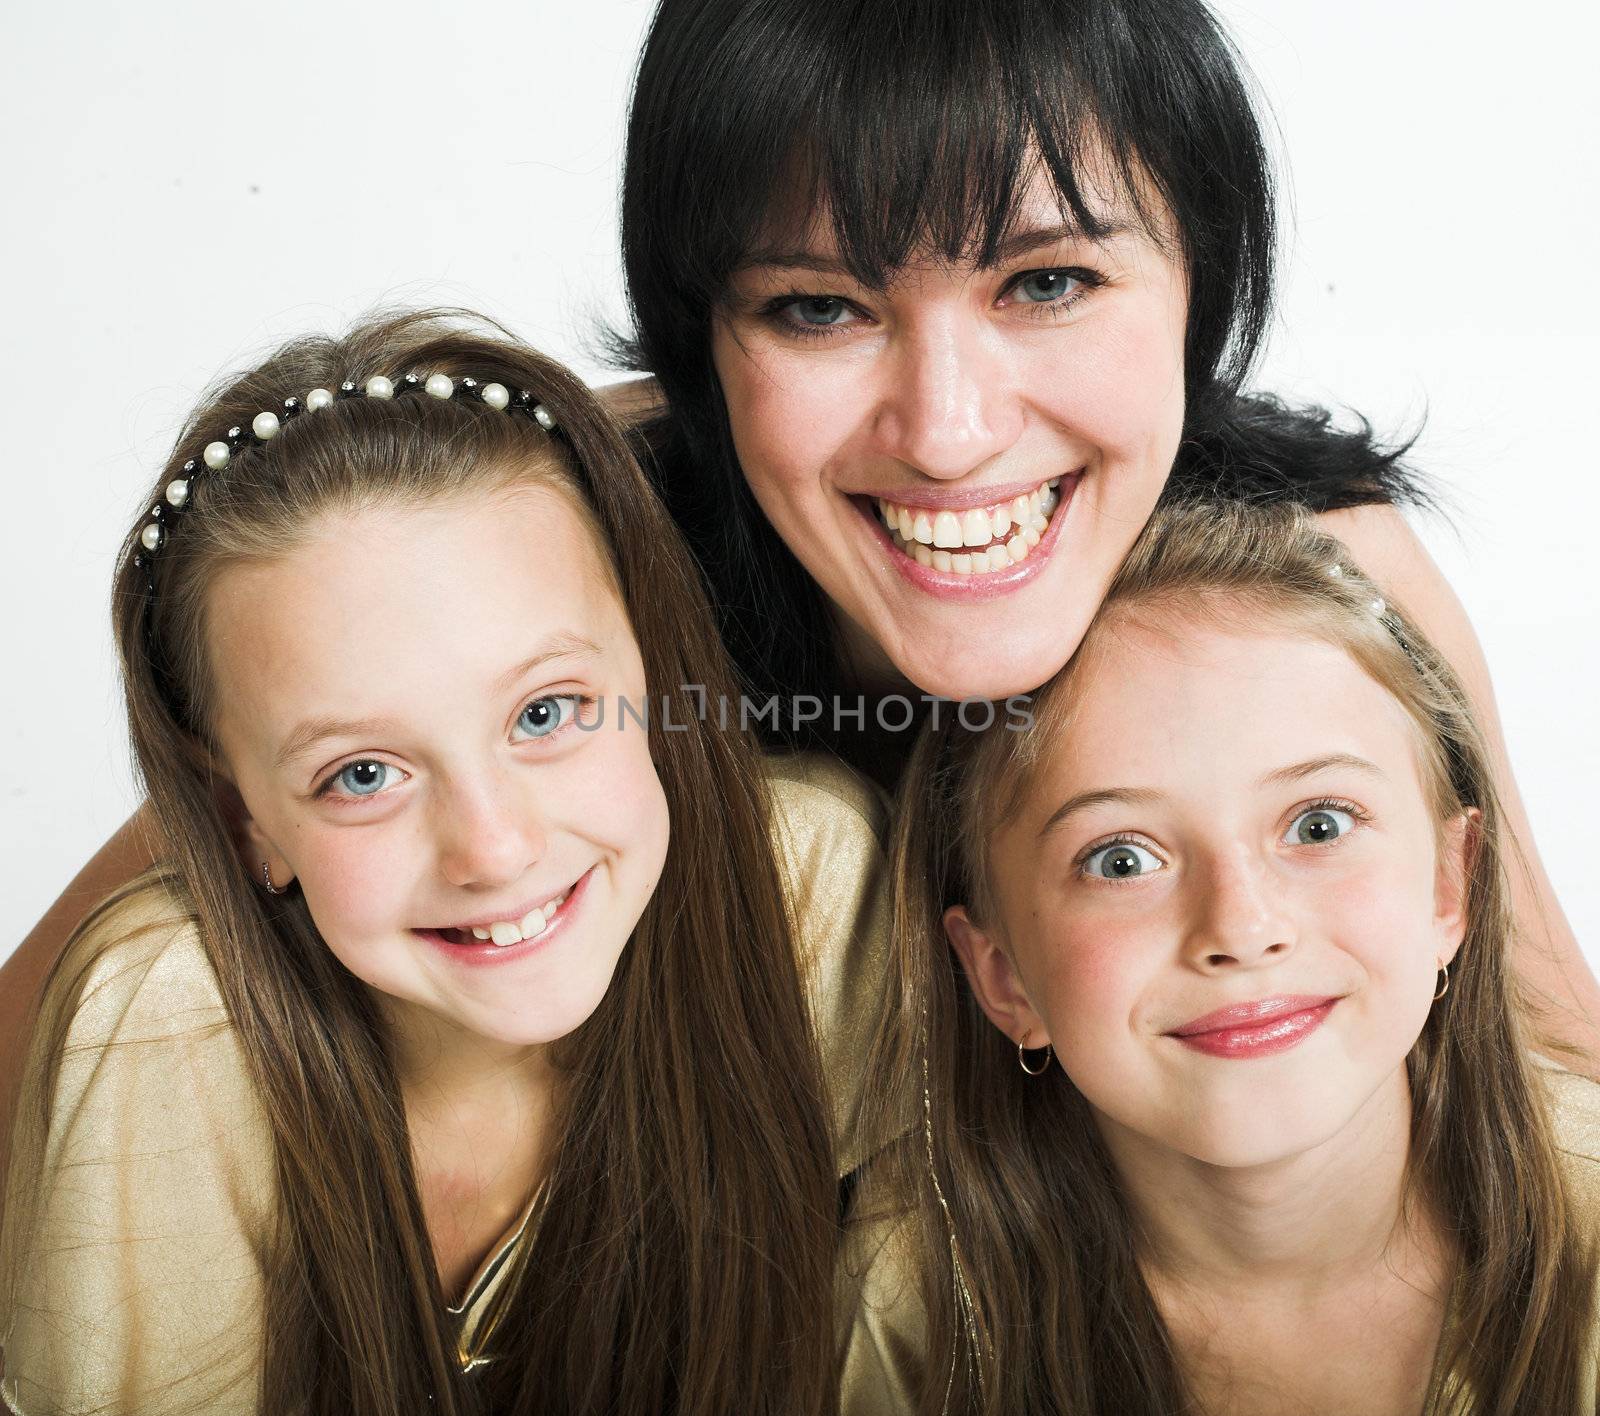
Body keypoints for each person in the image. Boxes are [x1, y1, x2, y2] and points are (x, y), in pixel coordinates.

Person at [5, 0, 1594, 1179]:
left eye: (1048, 281)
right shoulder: (555, 536)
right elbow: (181, 890)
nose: (951, 432)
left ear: (1204, 287)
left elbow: (1549, 1079)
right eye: (821, 310)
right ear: (703, 338)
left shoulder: (1310, 590)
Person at [0, 311, 888, 1415]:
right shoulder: (170, 1026)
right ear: (245, 827)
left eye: (549, 711)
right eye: (363, 775)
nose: (495, 847)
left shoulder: (807, 887)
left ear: (658, 678)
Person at [842, 500, 1600, 1414]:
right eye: (1121, 859)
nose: (1241, 929)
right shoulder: (909, 1307)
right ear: (1001, 975)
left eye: (1318, 825)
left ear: (1450, 887)